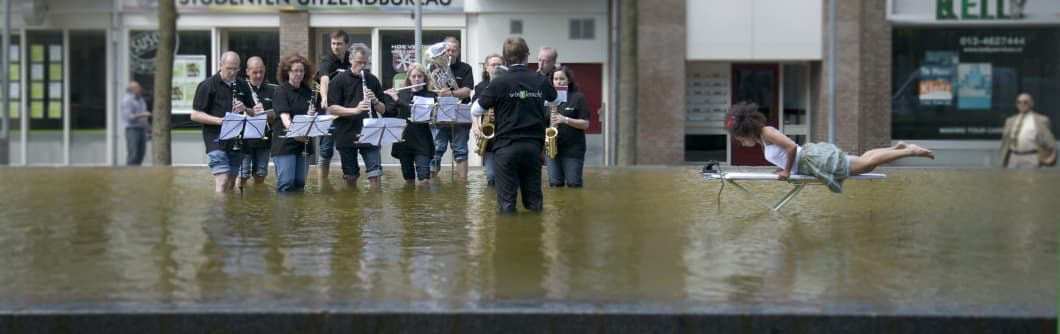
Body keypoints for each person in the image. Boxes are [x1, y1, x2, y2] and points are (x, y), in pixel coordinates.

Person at [726, 101, 933, 193]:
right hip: (808, 162)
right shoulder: (763, 139)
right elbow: (785, 155)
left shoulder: (767, 132)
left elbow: (790, 147)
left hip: (813, 160)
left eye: (740, 138)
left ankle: (910, 151)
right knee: (863, 160)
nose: (742, 142)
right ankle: (898, 148)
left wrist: (787, 171)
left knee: (865, 165)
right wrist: (783, 169)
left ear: (746, 130)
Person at [474, 36, 557, 213]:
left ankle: (507, 237)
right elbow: (555, 99)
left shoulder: (498, 82)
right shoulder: (539, 80)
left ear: (505, 58)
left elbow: (475, 110)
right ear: (527, 56)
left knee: (506, 205)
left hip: (505, 148)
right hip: (532, 148)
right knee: (534, 203)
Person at [191, 51, 262, 193]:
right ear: (220, 65)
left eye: (236, 69)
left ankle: (227, 213)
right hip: (215, 138)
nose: (232, 72)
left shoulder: (242, 84)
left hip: (236, 138)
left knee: (231, 182)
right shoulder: (207, 85)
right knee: (222, 180)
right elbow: (195, 115)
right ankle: (219, 215)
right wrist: (219, 121)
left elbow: (254, 111)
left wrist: (245, 108)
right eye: (229, 68)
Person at [327, 43, 388, 189]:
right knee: (350, 177)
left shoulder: (372, 80)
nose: (362, 66)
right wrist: (355, 110)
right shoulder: (338, 80)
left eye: (365, 63)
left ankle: (375, 209)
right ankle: (353, 210)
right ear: (350, 59)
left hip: (370, 132)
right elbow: (332, 108)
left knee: (375, 175)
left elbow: (384, 110)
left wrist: (375, 101)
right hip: (346, 133)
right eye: (359, 62)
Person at [430, 36, 475, 178]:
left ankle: (462, 186)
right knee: (436, 150)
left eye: (453, 50)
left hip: (460, 113)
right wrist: (435, 82)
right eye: (447, 50)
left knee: (460, 150)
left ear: (458, 51)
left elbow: (467, 91)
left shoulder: (466, 68)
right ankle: (431, 183)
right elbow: (430, 90)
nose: (450, 53)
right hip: (440, 114)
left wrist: (450, 93)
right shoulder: (433, 67)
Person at [385, 63, 436, 186]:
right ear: (409, 78)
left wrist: (397, 100)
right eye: (413, 76)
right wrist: (381, 100)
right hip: (404, 139)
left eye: (419, 76)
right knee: (408, 179)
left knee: (424, 179)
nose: (417, 79)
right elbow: (390, 113)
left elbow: (415, 112)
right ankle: (410, 205)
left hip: (422, 139)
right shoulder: (401, 94)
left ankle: (423, 204)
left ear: (424, 78)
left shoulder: (430, 95)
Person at [271, 54, 316, 192]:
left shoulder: (308, 91)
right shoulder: (281, 91)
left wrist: (311, 115)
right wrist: (295, 132)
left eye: (301, 71)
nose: (298, 74)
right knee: (286, 183)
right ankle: (285, 213)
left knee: (300, 183)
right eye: (295, 71)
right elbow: (285, 117)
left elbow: (310, 116)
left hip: (304, 143)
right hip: (285, 143)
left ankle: (299, 213)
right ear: (287, 72)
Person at [545, 66, 591, 187]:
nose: (558, 81)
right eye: (555, 79)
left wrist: (565, 119)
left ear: (568, 80)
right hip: (552, 148)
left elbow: (585, 124)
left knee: (574, 184)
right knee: (555, 185)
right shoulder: (547, 99)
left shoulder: (578, 98)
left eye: (562, 78)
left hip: (573, 149)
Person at [237, 56, 278, 187]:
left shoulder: (273, 89)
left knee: (260, 174)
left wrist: (268, 115)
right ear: (247, 71)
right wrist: (249, 110)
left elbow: (277, 115)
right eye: (255, 72)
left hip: (264, 139)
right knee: (242, 175)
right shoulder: (240, 88)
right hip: (244, 140)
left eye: (261, 71)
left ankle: (258, 202)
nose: (258, 75)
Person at [316, 30, 352, 180]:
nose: (336, 47)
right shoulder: (327, 60)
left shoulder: (351, 59)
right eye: (333, 43)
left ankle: (349, 179)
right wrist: (324, 97)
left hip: (347, 108)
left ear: (346, 44)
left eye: (339, 44)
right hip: (328, 109)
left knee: (347, 146)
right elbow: (324, 80)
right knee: (326, 149)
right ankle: (322, 183)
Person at [1000, 93, 1056, 168]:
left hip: (1031, 156)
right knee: (1012, 179)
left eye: (1025, 102)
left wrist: (1048, 157)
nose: (1022, 104)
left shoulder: (1041, 120)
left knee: (1029, 179)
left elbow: (1049, 142)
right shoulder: (1010, 120)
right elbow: (1005, 142)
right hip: (1013, 156)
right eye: (1019, 102)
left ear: (1032, 104)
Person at [471, 53, 503, 187]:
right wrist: (476, 126)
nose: (496, 67)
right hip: (488, 133)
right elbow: (474, 109)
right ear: (486, 68)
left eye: (499, 64)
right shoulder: (480, 87)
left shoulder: (507, 84)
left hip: (504, 131)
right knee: (490, 175)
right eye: (493, 65)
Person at [120, 80, 150, 166]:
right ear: (132, 89)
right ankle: (129, 175)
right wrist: (143, 114)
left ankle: (137, 174)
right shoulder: (127, 100)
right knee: (133, 154)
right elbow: (129, 117)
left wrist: (148, 128)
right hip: (132, 130)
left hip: (142, 129)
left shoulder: (141, 100)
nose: (141, 89)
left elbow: (145, 116)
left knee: (141, 153)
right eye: (138, 88)